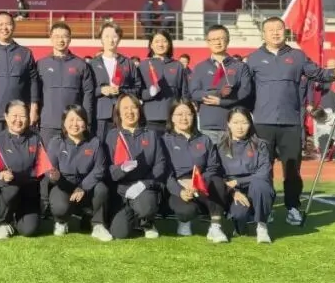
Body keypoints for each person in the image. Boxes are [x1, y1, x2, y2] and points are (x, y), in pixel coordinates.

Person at [246, 16, 335, 225]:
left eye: (279, 29)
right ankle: (265, 208)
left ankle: (292, 207)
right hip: (262, 124)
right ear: (263, 34)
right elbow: (245, 90)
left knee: (292, 170)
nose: (275, 33)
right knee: (262, 169)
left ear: (285, 31)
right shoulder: (253, 59)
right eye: (270, 30)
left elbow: (319, 74)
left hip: (291, 123)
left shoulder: (297, 56)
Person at [0, 12, 39, 220]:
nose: (4, 28)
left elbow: (33, 83)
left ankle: (17, 201)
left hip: (18, 120)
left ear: (14, 27)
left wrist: (33, 108)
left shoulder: (25, 53)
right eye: (0, 24)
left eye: (8, 24)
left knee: (19, 159)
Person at [41, 105, 111, 241]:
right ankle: (61, 222)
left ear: (85, 122)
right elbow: (49, 169)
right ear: (64, 123)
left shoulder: (95, 142)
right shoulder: (56, 142)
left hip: (87, 186)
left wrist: (83, 187)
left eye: (79, 119)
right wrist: (54, 176)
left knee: (102, 189)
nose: (75, 124)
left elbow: (100, 169)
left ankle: (98, 225)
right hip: (63, 185)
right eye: (71, 120)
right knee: (60, 207)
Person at [162, 99, 228, 242]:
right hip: (179, 187)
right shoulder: (164, 141)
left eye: (188, 114)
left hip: (201, 185)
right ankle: (184, 221)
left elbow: (213, 167)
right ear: (172, 117)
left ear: (194, 116)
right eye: (179, 114)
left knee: (217, 181)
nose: (184, 118)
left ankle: (215, 226)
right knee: (187, 211)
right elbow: (164, 172)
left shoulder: (204, 140)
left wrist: (198, 182)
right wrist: (180, 189)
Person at [105, 94, 167, 239]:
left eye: (134, 108)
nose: (130, 112)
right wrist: (121, 170)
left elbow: (160, 165)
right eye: (125, 108)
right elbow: (108, 169)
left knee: (147, 205)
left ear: (140, 110)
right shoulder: (112, 136)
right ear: (118, 112)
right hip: (121, 191)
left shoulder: (151, 135)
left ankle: (147, 222)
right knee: (119, 233)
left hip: (144, 188)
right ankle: (132, 215)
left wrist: (144, 184)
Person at [0, 100, 44, 240]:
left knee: (29, 230)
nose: (18, 120)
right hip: (8, 190)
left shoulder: (36, 139)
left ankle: (17, 217)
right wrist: (0, 176)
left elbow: (42, 168)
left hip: (29, 192)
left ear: (28, 118)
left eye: (23, 116)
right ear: (6, 117)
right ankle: (5, 222)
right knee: (12, 189)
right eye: (14, 116)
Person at [216, 108, 275, 243]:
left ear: (250, 124)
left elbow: (263, 173)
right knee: (239, 214)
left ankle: (262, 226)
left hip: (256, 187)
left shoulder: (260, 145)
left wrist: (238, 181)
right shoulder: (220, 147)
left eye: (244, 122)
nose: (240, 127)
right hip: (233, 190)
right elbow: (217, 175)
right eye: (235, 122)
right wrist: (233, 192)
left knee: (260, 185)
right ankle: (240, 223)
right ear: (229, 124)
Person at [189, 25, 252, 146]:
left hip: (233, 127)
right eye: (213, 39)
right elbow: (194, 93)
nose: (217, 42)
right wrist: (217, 93)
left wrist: (221, 102)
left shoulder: (240, 66)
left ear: (228, 40)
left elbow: (245, 91)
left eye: (221, 38)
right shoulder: (200, 67)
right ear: (208, 42)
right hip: (208, 126)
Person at [37, 22, 96, 146]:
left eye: (64, 36)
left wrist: (87, 120)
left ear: (70, 39)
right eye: (57, 36)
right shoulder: (41, 64)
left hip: (73, 125)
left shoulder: (81, 65)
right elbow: (35, 94)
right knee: (48, 157)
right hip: (48, 125)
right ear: (51, 38)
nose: (60, 40)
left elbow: (88, 95)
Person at [88, 22, 140, 142]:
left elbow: (138, 89)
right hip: (101, 115)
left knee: (122, 147)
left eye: (114, 36)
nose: (111, 40)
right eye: (107, 36)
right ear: (101, 39)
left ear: (119, 39)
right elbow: (87, 90)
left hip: (123, 114)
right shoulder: (93, 64)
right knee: (100, 146)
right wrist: (101, 90)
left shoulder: (128, 63)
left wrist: (122, 91)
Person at [138, 30, 189, 132]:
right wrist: (150, 92)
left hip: (173, 119)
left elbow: (184, 93)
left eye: (164, 41)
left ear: (169, 44)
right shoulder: (143, 65)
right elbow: (138, 93)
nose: (160, 45)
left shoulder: (178, 65)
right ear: (151, 45)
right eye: (157, 41)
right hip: (150, 119)